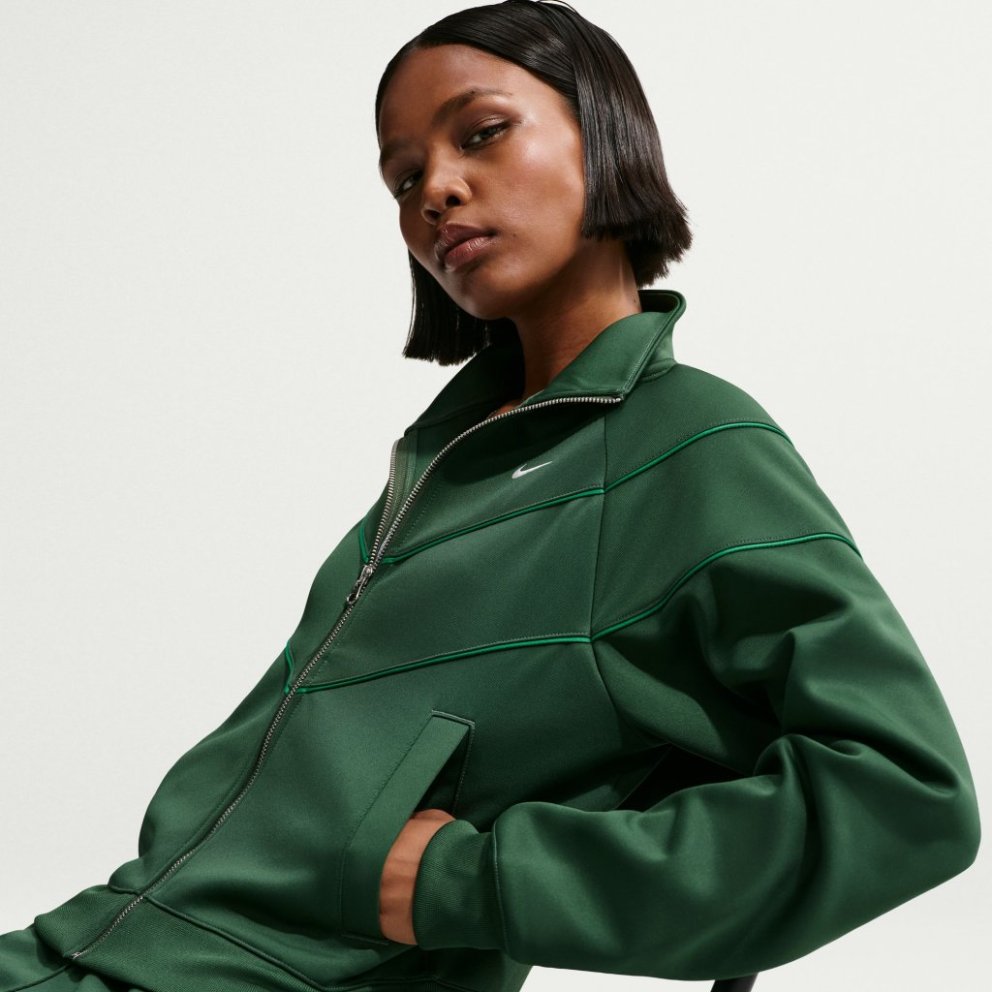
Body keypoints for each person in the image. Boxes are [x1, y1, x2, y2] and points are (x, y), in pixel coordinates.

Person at [0, 1, 981, 990]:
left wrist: (465, 881)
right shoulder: (446, 461)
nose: (436, 190)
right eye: (403, 177)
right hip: (94, 946)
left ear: (604, 133)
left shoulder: (683, 443)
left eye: (480, 133)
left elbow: (904, 794)